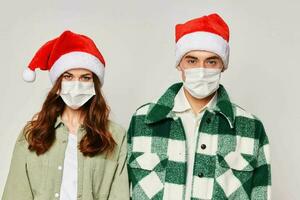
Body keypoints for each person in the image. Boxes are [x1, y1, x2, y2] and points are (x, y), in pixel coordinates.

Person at [127, 13, 271, 200]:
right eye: (192, 60)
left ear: (223, 66)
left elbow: (262, 195)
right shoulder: (142, 120)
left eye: (211, 61)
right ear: (180, 64)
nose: (201, 70)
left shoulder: (251, 128)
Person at [2, 30, 129, 200]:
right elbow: (15, 194)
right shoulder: (32, 134)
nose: (76, 85)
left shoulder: (115, 136)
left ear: (94, 84)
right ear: (58, 83)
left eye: (85, 78)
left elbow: (119, 195)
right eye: (68, 77)